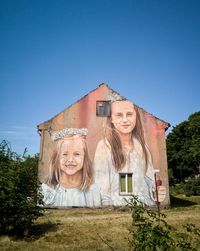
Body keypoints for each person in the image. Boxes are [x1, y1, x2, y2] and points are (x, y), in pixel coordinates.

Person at [94, 99, 165, 206]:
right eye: (119, 115)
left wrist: (156, 191)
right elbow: (102, 189)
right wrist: (108, 211)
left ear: (136, 116)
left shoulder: (142, 147)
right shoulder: (104, 146)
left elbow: (149, 181)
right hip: (119, 206)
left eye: (129, 114)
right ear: (111, 119)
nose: (125, 120)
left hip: (144, 205)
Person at [41, 128, 101, 207]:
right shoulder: (46, 190)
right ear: (57, 158)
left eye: (76, 154)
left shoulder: (93, 190)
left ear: (84, 157)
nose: (70, 160)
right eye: (65, 154)